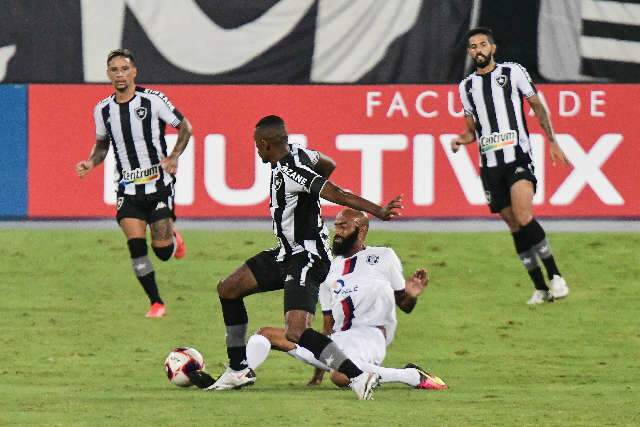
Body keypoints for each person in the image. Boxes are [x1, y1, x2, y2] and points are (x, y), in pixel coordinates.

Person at [190, 115, 402, 400]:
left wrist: (377, 211)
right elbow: (328, 164)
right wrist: (309, 196)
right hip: (286, 252)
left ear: (265, 144)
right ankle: (239, 369)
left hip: (307, 257)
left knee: (296, 331)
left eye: (256, 145)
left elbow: (336, 193)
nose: (256, 150)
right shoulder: (300, 153)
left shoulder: (293, 170)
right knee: (229, 288)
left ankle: (358, 376)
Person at [243, 208, 448, 391]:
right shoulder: (327, 270)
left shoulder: (384, 256)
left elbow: (404, 304)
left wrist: (410, 294)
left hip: (371, 335)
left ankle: (411, 376)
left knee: (341, 376)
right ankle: (242, 376)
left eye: (344, 227)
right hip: (339, 338)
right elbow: (327, 324)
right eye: (337, 227)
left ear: (362, 230)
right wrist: (317, 375)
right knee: (266, 334)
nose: (338, 233)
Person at [452, 27, 570, 305]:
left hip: (517, 158)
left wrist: (553, 140)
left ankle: (555, 276)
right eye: (473, 46)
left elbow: (538, 107)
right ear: (469, 52)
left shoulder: (513, 72)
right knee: (514, 225)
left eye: (483, 44)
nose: (478, 50)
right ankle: (541, 289)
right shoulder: (466, 87)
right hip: (490, 167)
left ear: (493, 48)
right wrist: (461, 139)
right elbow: (472, 130)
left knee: (523, 214)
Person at [75, 49, 192, 318]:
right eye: (114, 69)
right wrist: (91, 163)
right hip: (127, 189)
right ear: (108, 74)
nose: (120, 74)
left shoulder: (153, 100)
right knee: (137, 248)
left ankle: (173, 239)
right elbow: (103, 145)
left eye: (124, 69)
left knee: (162, 252)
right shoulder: (102, 110)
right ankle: (156, 302)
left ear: (134, 72)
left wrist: (174, 156)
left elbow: (185, 126)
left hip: (158, 185)